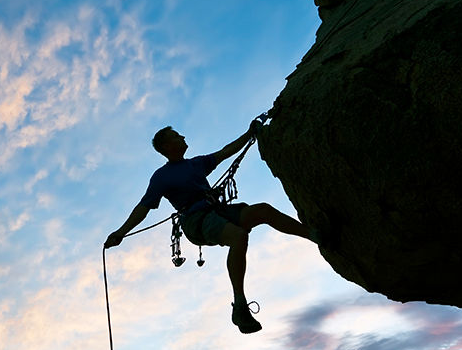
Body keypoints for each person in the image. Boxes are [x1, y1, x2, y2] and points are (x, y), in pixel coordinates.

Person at [104, 121, 335, 334]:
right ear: (166, 146)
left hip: (216, 211)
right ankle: (240, 305)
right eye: (176, 136)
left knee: (262, 210)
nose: (182, 136)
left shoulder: (196, 163)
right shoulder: (161, 177)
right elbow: (143, 207)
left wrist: (249, 133)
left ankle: (315, 236)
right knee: (238, 236)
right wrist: (121, 233)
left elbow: (226, 152)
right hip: (196, 222)